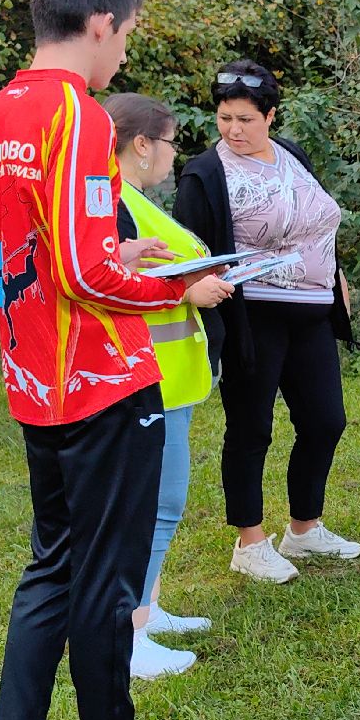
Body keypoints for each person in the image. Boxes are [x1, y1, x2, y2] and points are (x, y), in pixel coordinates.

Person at [0, 0, 218, 720]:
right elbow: (84, 275)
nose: (124, 56)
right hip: (105, 382)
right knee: (106, 578)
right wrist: (170, 281)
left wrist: (111, 253)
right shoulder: (79, 114)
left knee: (53, 566)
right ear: (100, 22)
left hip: (34, 382)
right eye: (127, 36)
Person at [175, 59, 360, 585]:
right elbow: (189, 250)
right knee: (252, 427)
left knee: (326, 421)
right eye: (225, 117)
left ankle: (304, 529)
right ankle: (250, 541)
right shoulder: (205, 173)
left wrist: (335, 277)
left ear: (271, 116)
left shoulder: (293, 156)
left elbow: (316, 223)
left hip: (312, 313)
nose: (233, 129)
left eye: (246, 119)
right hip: (252, 315)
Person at [103, 92, 230, 679]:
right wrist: (186, 289)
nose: (177, 155)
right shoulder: (114, 204)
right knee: (154, 506)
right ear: (142, 144)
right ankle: (129, 636)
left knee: (163, 503)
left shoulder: (130, 200)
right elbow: (110, 285)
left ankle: (146, 612)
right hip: (147, 379)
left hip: (168, 378)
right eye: (173, 141)